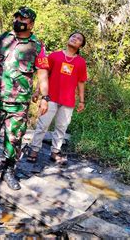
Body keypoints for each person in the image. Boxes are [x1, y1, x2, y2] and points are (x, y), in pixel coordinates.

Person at [0, 7, 49, 190]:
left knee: (14, 137)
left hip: (19, 101)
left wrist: (45, 97)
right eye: (17, 17)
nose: (18, 20)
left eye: (23, 18)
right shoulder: (2, 38)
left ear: (31, 23)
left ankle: (8, 171)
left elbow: (43, 73)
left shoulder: (37, 46)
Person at [27, 32, 87, 164]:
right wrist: (37, 91)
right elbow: (44, 74)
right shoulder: (55, 55)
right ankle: (34, 150)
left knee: (61, 127)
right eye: (73, 36)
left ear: (81, 45)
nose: (75, 39)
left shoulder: (81, 62)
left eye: (79, 39)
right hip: (50, 98)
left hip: (68, 101)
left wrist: (82, 101)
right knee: (43, 124)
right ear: (68, 39)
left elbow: (81, 82)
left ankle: (55, 152)